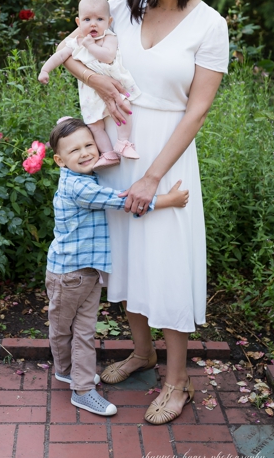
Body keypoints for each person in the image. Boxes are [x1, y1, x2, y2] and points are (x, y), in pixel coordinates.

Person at [62, 0, 229, 425]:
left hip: (168, 158)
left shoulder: (209, 23)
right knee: (127, 258)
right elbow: (70, 51)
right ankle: (141, 352)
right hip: (120, 149)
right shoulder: (120, 7)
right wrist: (103, 83)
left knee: (167, 264)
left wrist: (154, 176)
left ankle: (177, 381)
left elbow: (197, 110)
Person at [44, 117, 188, 417]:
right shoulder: (81, 188)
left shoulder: (83, 177)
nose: (85, 153)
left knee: (75, 330)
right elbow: (125, 201)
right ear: (59, 160)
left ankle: (68, 372)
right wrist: (169, 200)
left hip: (84, 273)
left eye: (89, 145)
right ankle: (81, 390)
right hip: (70, 275)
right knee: (70, 331)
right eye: (75, 151)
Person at [39, 0, 142, 168]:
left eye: (99, 19)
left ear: (109, 22)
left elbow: (108, 56)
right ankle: (108, 154)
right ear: (78, 23)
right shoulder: (75, 42)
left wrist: (90, 45)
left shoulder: (108, 37)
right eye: (87, 20)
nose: (93, 23)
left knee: (123, 107)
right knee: (94, 124)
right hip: (90, 92)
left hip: (113, 84)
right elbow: (60, 55)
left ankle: (123, 142)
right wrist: (45, 69)